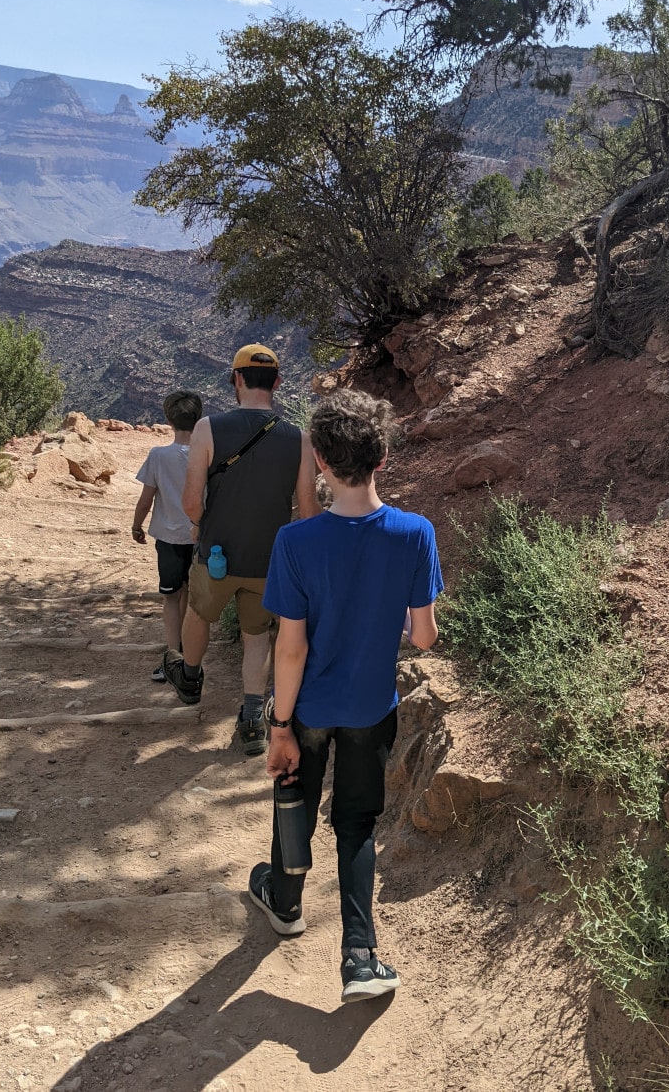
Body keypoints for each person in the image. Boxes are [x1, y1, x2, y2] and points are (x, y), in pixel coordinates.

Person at [247, 388, 442, 1003]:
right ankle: (360, 957)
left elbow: (291, 648)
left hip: (308, 707)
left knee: (293, 796)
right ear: (383, 458)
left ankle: (284, 901)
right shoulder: (415, 533)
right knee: (356, 824)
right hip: (369, 707)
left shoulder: (296, 543)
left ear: (322, 465)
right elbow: (424, 637)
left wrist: (279, 726)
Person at [162, 344, 320, 758]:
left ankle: (191, 677)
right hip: (269, 560)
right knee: (256, 636)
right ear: (278, 383)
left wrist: (200, 526)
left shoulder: (207, 429)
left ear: (236, 379)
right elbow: (308, 511)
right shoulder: (299, 439)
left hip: (216, 554)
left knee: (198, 612)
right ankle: (252, 719)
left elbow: (192, 501)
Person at [131, 390, 203, 682]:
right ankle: (189, 656)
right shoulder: (207, 455)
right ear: (198, 419)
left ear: (169, 420)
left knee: (171, 598)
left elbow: (146, 499)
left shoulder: (158, 456)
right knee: (189, 593)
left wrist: (136, 526)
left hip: (169, 538)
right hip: (199, 537)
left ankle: (174, 656)